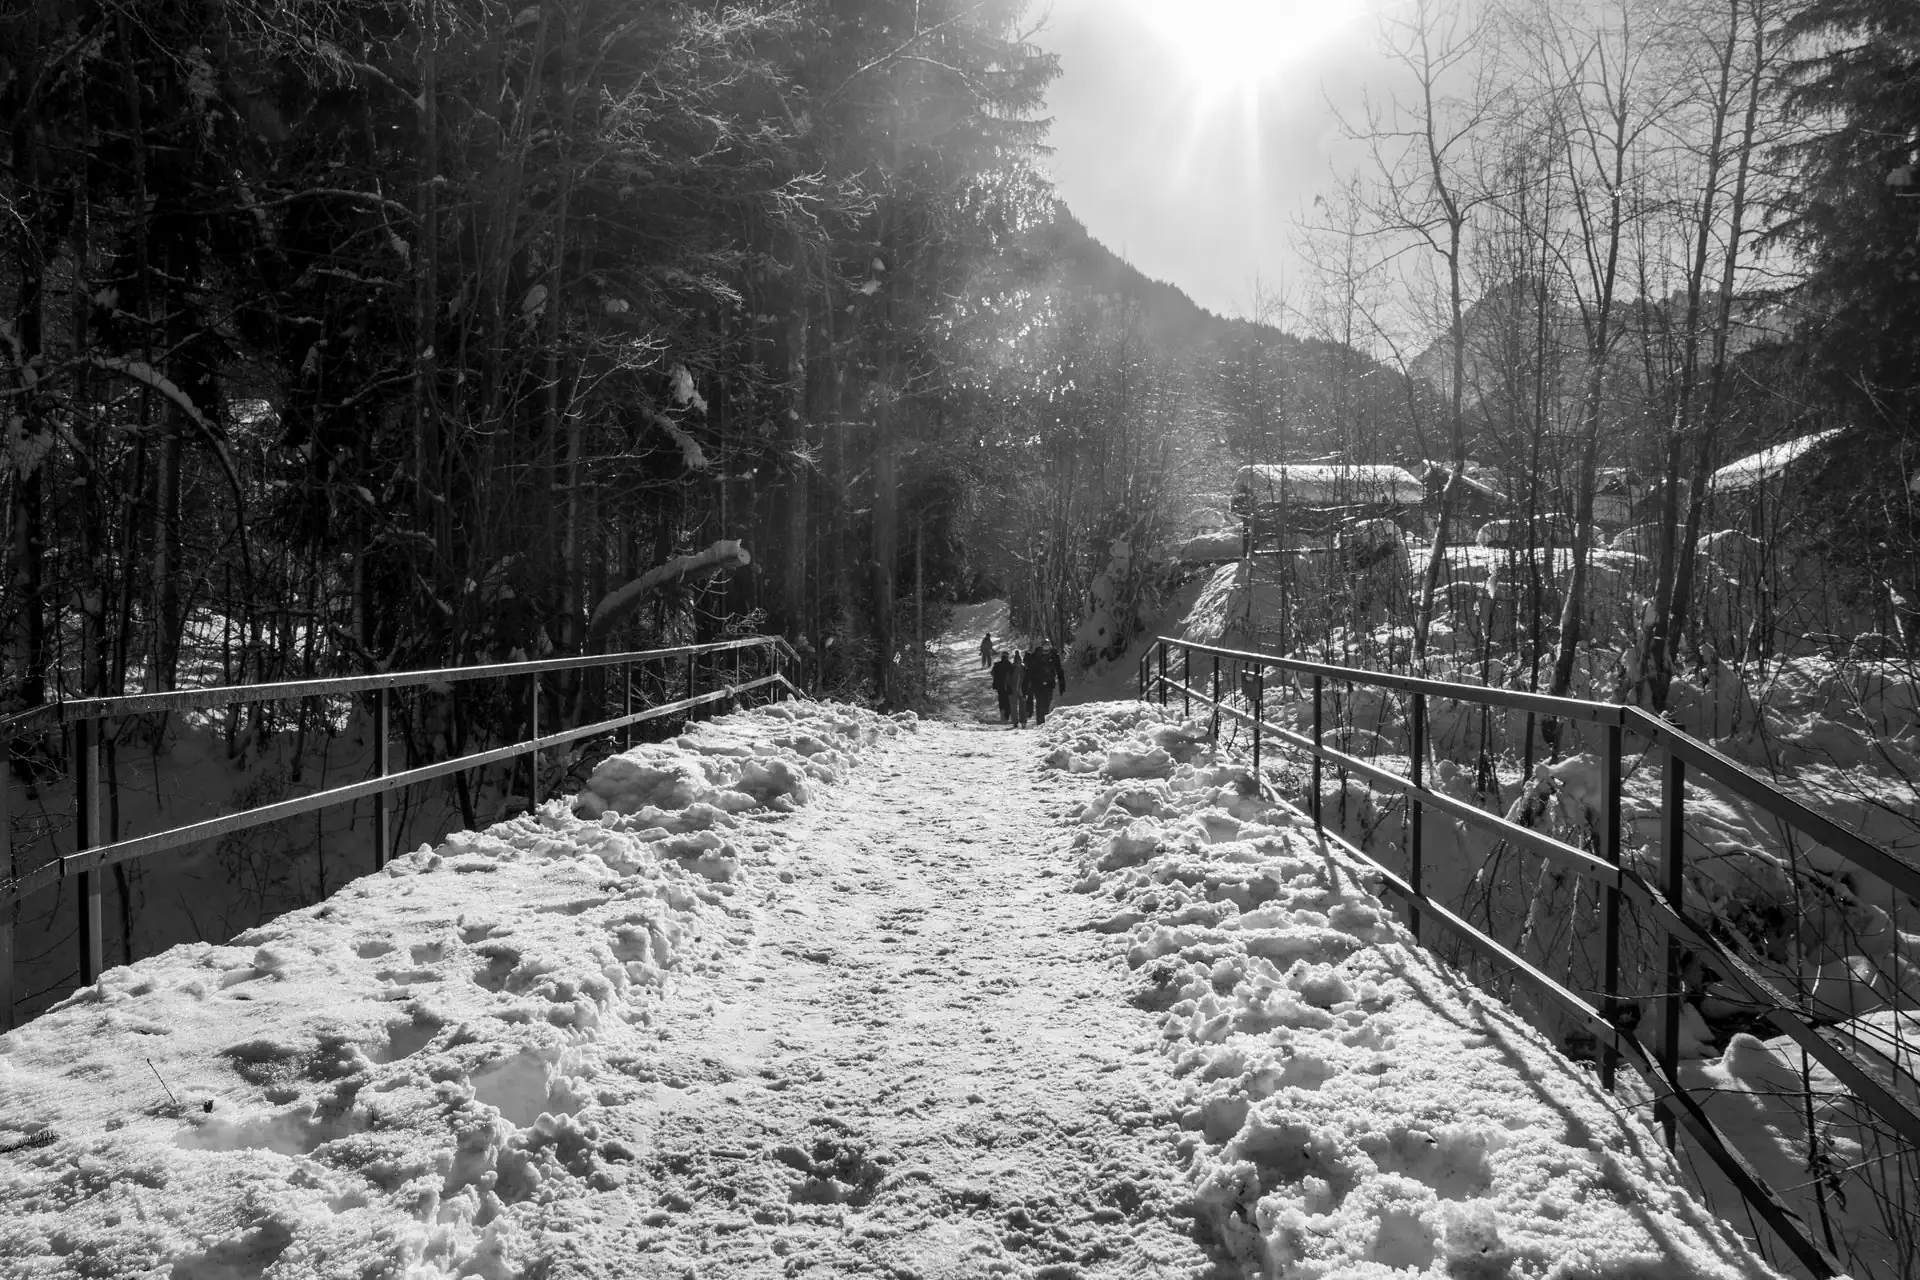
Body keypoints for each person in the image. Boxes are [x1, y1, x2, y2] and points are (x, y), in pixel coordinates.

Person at [1026, 639, 1067, 725]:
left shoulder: (1054, 656)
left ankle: (1044, 723)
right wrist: (1028, 684)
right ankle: (1040, 723)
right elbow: (1030, 671)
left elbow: (1059, 670)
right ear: (1041, 647)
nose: (1046, 651)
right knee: (1039, 702)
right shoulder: (1035, 656)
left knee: (1047, 702)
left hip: (1049, 683)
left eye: (1047, 648)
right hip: (1037, 683)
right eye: (1044, 648)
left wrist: (1062, 683)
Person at [990, 650, 1015, 721]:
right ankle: (1007, 715)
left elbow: (992, 673)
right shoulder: (1009, 665)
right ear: (1007, 657)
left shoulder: (997, 664)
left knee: (1001, 699)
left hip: (999, 686)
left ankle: (1002, 713)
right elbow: (1012, 675)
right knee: (1007, 700)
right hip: (1007, 685)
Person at [1010, 652, 1029, 727]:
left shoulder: (1012, 668)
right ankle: (1021, 722)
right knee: (1021, 707)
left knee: (1015, 707)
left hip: (1015, 690)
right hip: (1020, 690)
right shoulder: (1023, 668)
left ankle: (1017, 722)